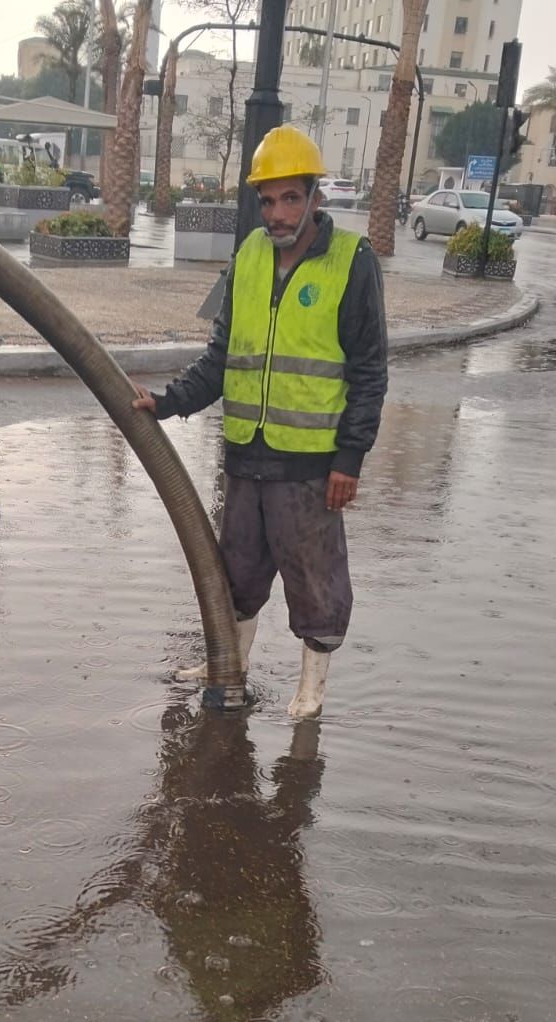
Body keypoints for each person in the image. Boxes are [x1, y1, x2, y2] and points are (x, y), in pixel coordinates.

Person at [131, 126, 388, 720]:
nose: (277, 213)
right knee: (237, 572)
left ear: (315, 198)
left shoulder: (352, 261)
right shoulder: (247, 256)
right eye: (267, 200)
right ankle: (231, 665)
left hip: (310, 464)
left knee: (314, 579)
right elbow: (222, 356)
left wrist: (350, 459)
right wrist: (170, 402)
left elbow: (370, 371)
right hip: (247, 455)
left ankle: (311, 689)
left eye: (290, 198)